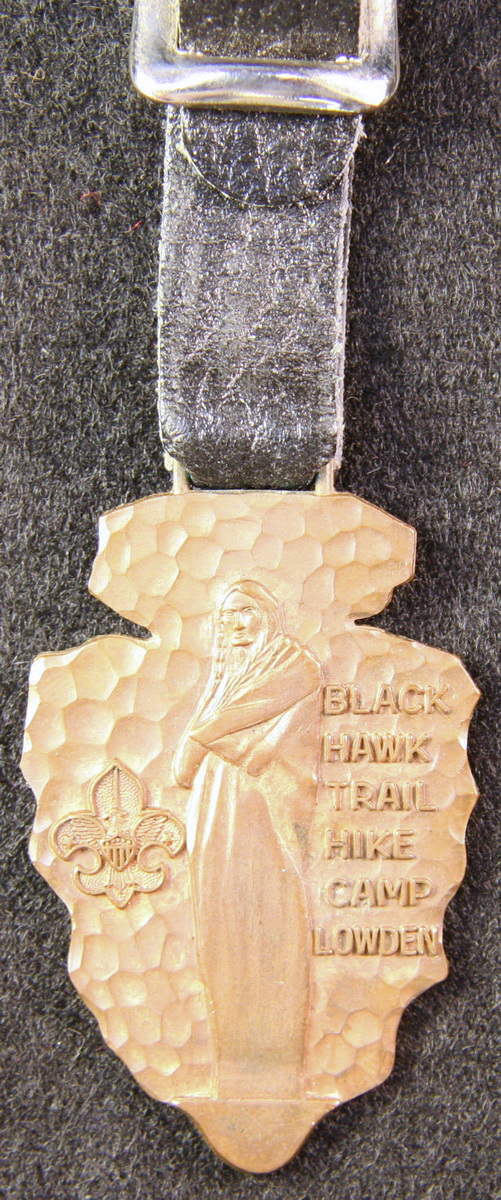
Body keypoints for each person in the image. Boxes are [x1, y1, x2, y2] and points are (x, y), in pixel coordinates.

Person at [173, 580, 322, 1099]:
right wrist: (202, 743)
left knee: (266, 912)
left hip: (262, 811)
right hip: (217, 808)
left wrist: (201, 741)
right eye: (225, 617)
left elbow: (260, 752)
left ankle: (274, 1052)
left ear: (268, 615)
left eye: (245, 613)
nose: (234, 626)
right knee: (219, 917)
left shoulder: (294, 669)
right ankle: (231, 1049)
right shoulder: (230, 678)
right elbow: (190, 765)